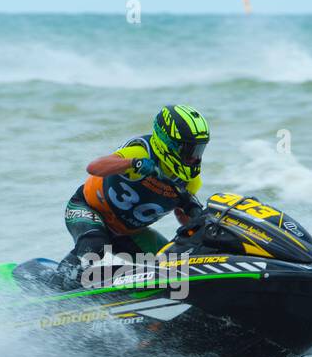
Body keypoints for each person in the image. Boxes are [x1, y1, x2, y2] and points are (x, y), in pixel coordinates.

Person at [56, 105, 210, 288]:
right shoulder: (141, 152)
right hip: (87, 209)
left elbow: (182, 215)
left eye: (198, 151)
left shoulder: (190, 181)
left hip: (128, 233)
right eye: (189, 150)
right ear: (168, 142)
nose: (194, 158)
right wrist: (133, 163)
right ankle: (55, 287)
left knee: (173, 263)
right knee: (94, 245)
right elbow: (94, 167)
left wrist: (196, 229)